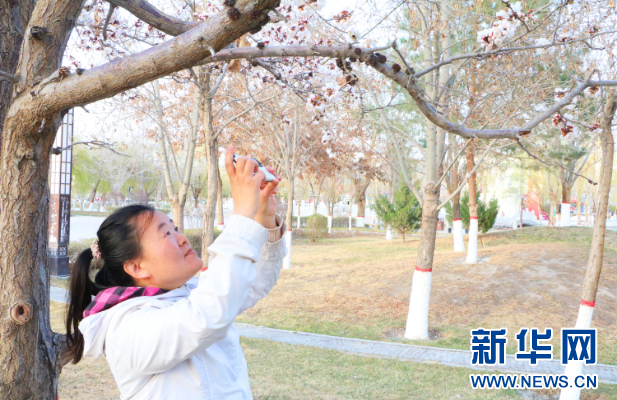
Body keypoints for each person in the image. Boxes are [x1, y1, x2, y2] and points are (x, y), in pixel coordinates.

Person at [65, 146, 287, 399]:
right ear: (137, 267)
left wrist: (263, 217)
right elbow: (208, 313)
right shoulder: (125, 328)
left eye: (176, 228)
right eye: (167, 233)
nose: (182, 238)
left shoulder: (190, 293)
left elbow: (247, 285)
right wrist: (243, 216)